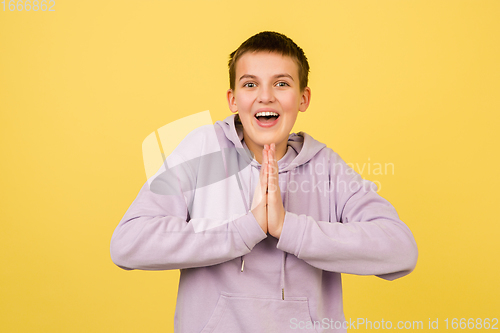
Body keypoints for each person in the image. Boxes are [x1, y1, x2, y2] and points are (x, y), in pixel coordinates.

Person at [110, 31, 418, 332]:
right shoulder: (203, 150)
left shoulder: (326, 167)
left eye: (282, 83)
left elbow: (400, 250)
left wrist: (288, 228)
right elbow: (128, 243)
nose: (265, 96)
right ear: (232, 99)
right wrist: (248, 228)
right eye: (250, 84)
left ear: (303, 98)